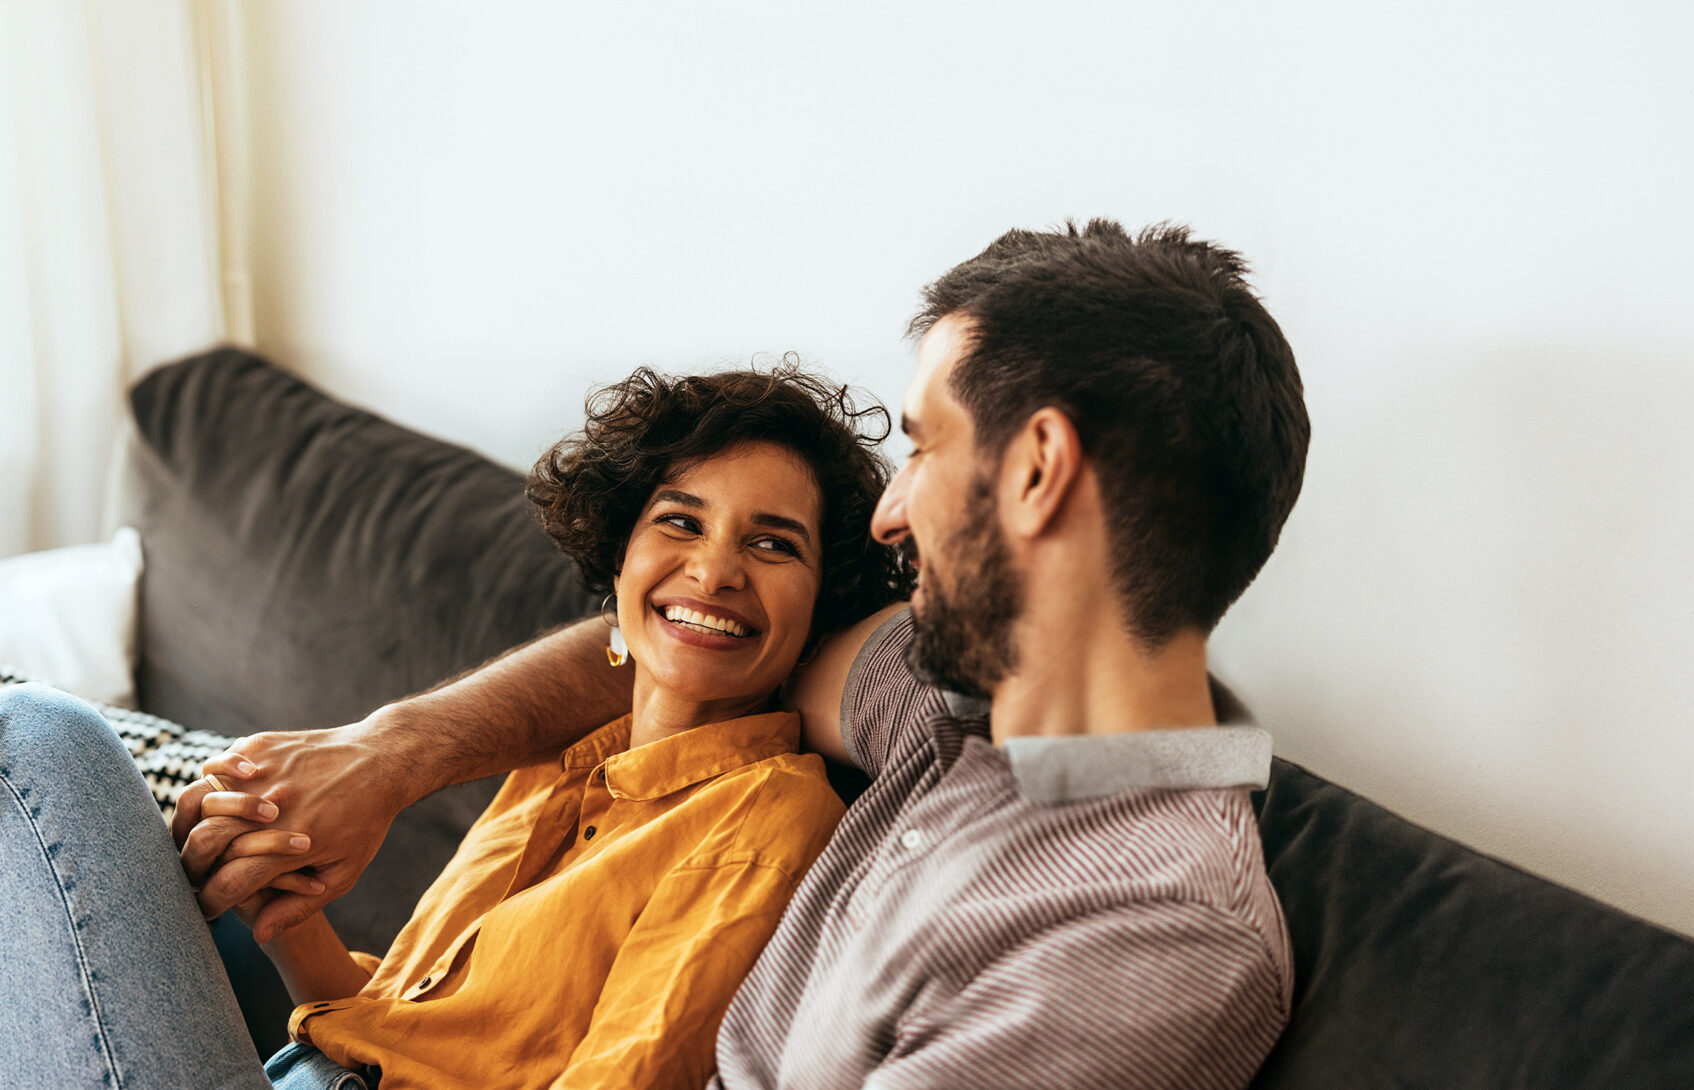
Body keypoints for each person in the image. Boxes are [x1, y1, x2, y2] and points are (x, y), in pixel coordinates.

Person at [185, 219, 1312, 1088]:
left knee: (37, 749)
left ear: (1036, 470)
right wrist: (394, 752)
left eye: (921, 446)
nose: (888, 514)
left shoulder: (1152, 931)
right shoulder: (941, 708)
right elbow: (692, 644)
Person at [0, 364, 909, 1089]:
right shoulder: (559, 766)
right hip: (298, 1065)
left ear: (822, 602)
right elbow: (396, 1025)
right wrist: (286, 911)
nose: (713, 571)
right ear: (621, 557)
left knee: (42, 743)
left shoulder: (770, 824)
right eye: (680, 521)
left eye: (772, 542)